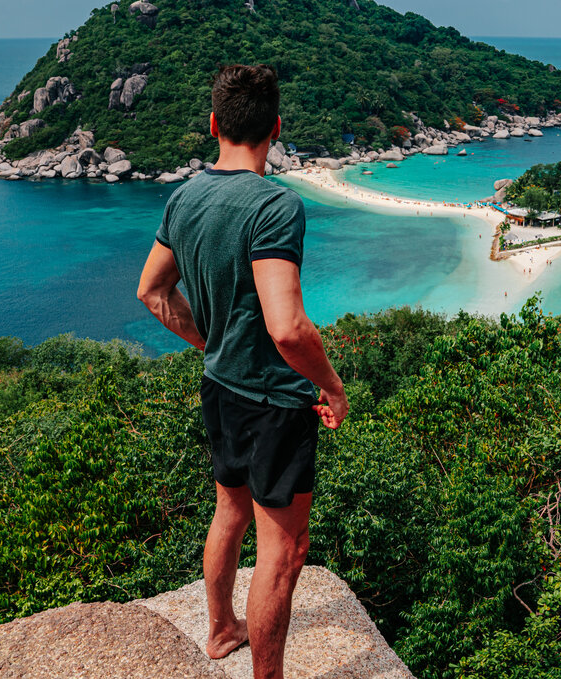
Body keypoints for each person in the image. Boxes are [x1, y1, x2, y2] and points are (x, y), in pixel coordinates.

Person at [137, 63, 348, 679]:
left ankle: (221, 629)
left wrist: (211, 341)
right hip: (274, 401)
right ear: (277, 129)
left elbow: (152, 292)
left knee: (229, 507)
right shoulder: (275, 206)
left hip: (219, 385)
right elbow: (288, 328)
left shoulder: (186, 195)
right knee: (283, 553)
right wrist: (331, 386)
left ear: (213, 125)